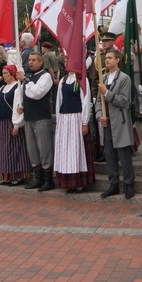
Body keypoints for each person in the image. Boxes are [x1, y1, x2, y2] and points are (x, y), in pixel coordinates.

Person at [96, 50, 136, 199]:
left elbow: (124, 101)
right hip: (107, 123)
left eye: (109, 58)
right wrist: (100, 115)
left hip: (120, 122)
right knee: (110, 155)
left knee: (123, 154)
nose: (106, 60)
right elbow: (98, 101)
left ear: (117, 60)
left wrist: (107, 93)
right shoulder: (103, 77)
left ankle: (129, 184)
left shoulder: (124, 79)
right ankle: (113, 184)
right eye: (105, 58)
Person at [54, 59, 95, 192]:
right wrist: (59, 119)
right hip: (64, 120)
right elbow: (59, 101)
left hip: (76, 118)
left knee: (76, 148)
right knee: (66, 150)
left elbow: (85, 100)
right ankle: (67, 181)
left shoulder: (82, 79)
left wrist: (84, 122)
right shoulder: (63, 80)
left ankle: (79, 181)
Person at [0, 64, 31, 186]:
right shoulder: (3, 88)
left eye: (6, 73)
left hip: (11, 121)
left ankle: (17, 175)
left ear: (12, 74)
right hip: (1, 122)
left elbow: (18, 106)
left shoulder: (18, 87)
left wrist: (16, 125)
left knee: (14, 148)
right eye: (3, 73)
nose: (3, 76)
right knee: (3, 149)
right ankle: (7, 175)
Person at [16, 52, 55, 191]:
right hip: (29, 117)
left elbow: (37, 93)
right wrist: (22, 106)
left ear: (41, 62)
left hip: (41, 117)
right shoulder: (30, 76)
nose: (31, 62)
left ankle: (48, 179)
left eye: (34, 60)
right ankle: (38, 178)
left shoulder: (45, 76)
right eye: (29, 60)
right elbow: (25, 95)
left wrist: (25, 80)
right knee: (32, 150)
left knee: (44, 149)